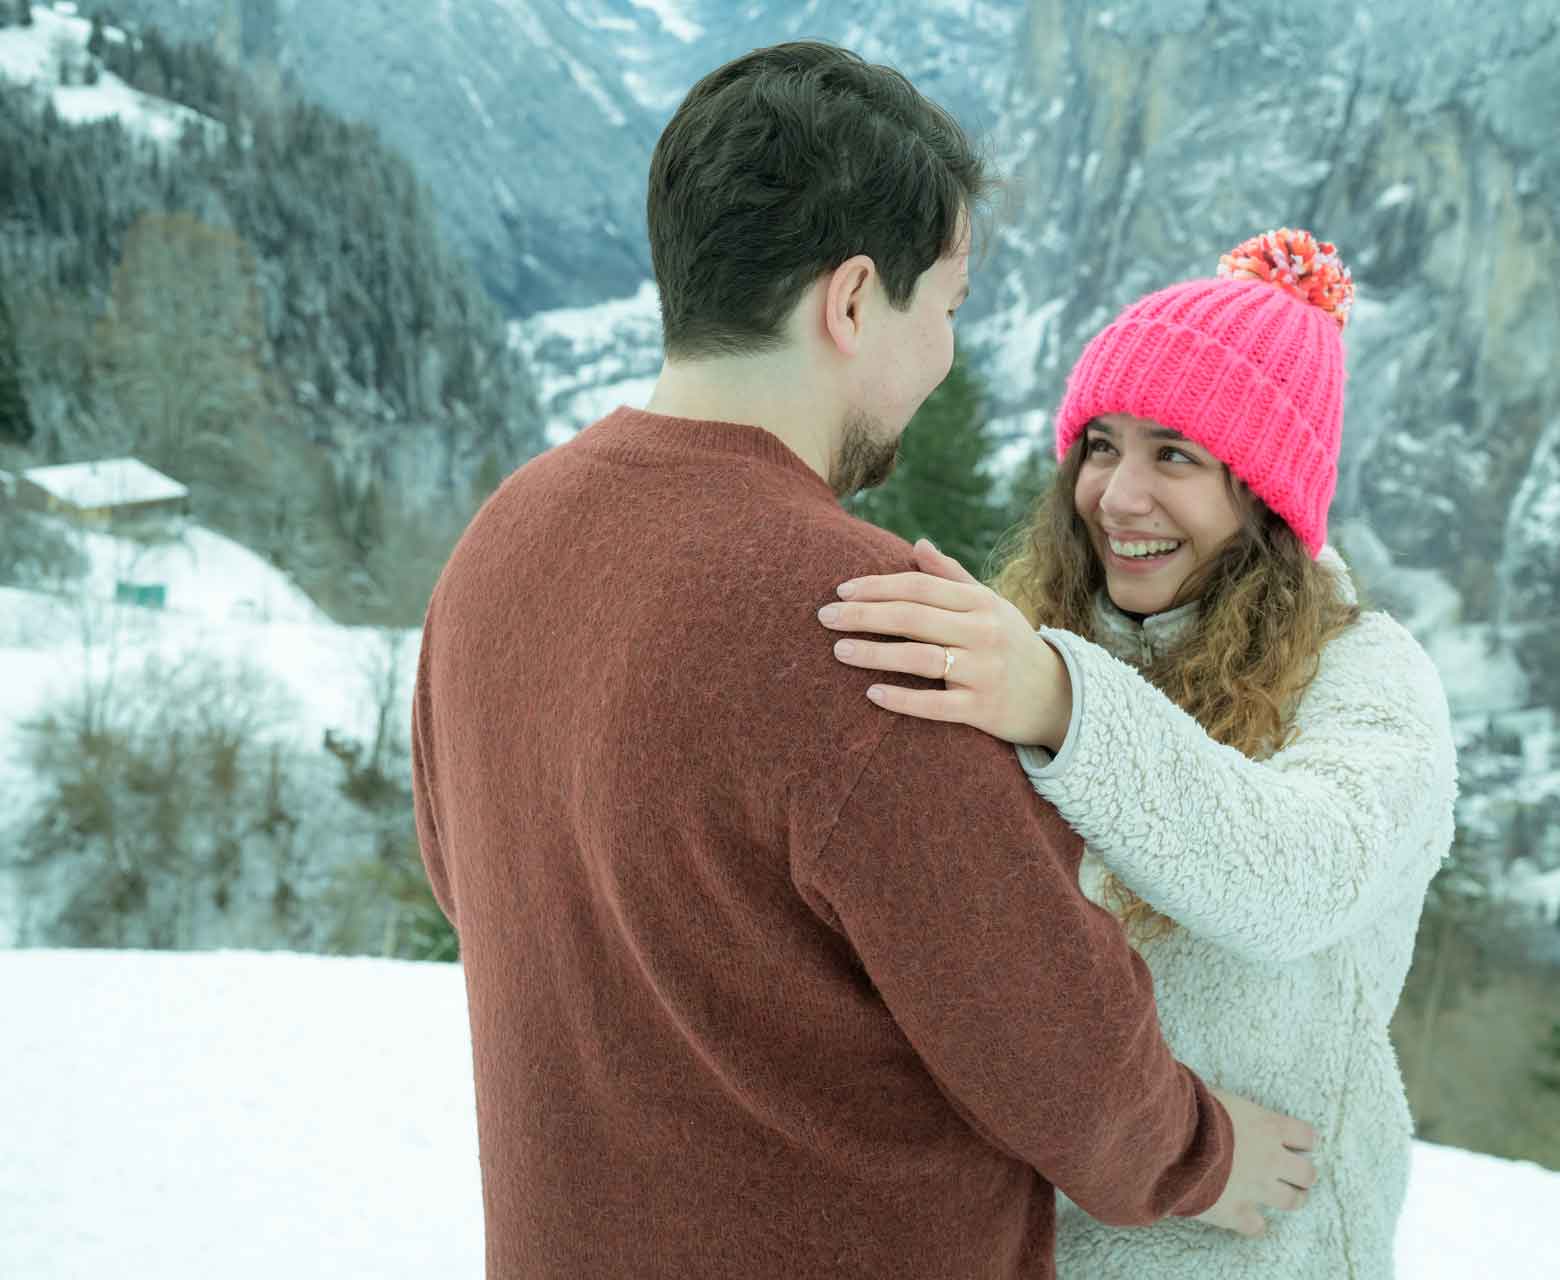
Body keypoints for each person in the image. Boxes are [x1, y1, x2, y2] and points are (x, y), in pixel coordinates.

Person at [410, 45, 1319, 1280]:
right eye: (942, 306)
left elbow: (481, 886)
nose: (944, 356)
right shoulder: (871, 626)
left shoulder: (498, 545)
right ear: (850, 302)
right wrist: (1205, 1154)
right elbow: (1055, 1045)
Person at [820, 228, 1459, 1277]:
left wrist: (1064, 702)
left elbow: (1304, 873)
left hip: (1258, 1249)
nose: (1118, 495)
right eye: (1103, 445)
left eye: (1176, 455)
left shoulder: (1367, 677)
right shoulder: (1043, 625)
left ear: (1263, 491)